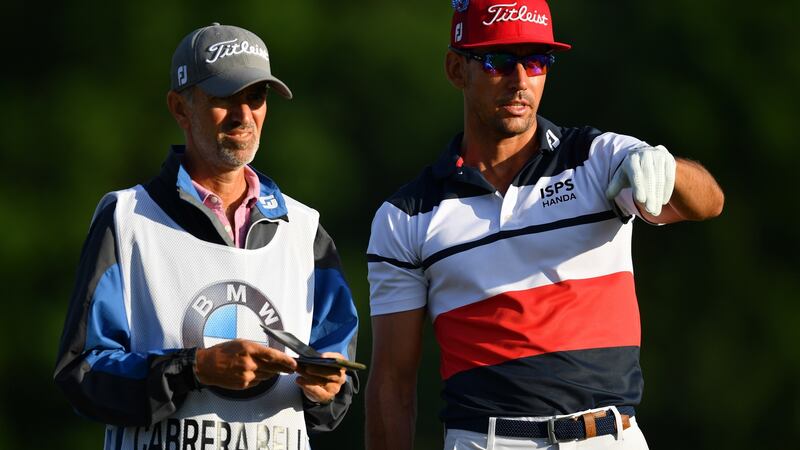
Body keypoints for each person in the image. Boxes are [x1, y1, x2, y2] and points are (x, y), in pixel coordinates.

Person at [365, 1, 724, 449]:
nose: (521, 81)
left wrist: (667, 166)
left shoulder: (597, 158)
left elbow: (709, 202)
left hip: (606, 437)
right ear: (457, 69)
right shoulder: (406, 216)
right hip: (485, 441)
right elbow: (392, 384)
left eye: (537, 61)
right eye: (498, 62)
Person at [53, 23, 359, 450]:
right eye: (222, 98)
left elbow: (336, 390)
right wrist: (193, 369)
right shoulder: (126, 218)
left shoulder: (305, 230)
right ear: (180, 108)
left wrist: (325, 385)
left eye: (256, 97)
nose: (243, 115)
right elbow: (83, 373)